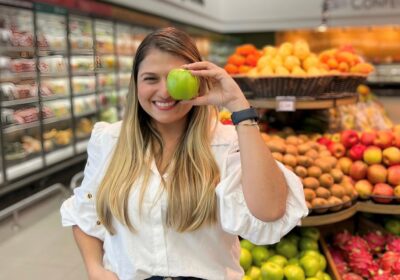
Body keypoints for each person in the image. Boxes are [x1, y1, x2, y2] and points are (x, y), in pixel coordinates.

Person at [61, 27, 308, 280]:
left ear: (198, 80)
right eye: (151, 78)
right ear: (135, 83)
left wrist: (239, 107)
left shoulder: (225, 144)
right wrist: (95, 269)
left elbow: (269, 211)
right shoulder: (110, 141)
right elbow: (85, 214)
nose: (165, 92)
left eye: (174, 78)